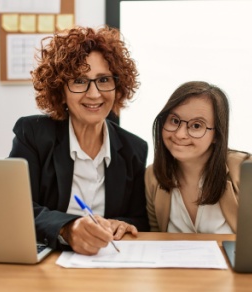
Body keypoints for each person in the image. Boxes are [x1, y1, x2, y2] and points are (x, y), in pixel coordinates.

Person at [9, 26, 149, 255]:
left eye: (103, 80)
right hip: (48, 266)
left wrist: (121, 224)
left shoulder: (135, 148)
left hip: (109, 264)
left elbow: (139, 219)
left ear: (118, 85)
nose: (94, 94)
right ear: (60, 90)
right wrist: (67, 228)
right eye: (79, 81)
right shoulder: (33, 134)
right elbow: (15, 207)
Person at [145, 81, 252, 233]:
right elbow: (155, 239)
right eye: (174, 121)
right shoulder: (153, 175)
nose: (180, 134)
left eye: (196, 126)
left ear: (217, 134)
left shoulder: (249, 171)